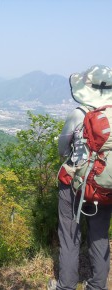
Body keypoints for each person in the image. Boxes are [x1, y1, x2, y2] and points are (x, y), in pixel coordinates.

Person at [48, 65, 112, 290]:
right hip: (105, 186)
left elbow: (62, 148)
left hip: (75, 184)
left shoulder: (80, 113)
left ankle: (65, 286)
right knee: (99, 235)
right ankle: (97, 286)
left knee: (69, 235)